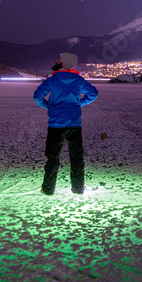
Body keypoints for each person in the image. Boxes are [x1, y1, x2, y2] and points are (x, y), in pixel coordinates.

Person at [33, 52, 98, 196]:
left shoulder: (53, 80)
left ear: (62, 62)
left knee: (52, 157)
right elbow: (93, 94)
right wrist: (78, 104)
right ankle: (78, 189)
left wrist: (50, 106)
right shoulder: (78, 80)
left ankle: (48, 189)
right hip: (74, 124)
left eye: (58, 59)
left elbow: (37, 96)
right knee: (76, 157)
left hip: (56, 125)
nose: (56, 60)